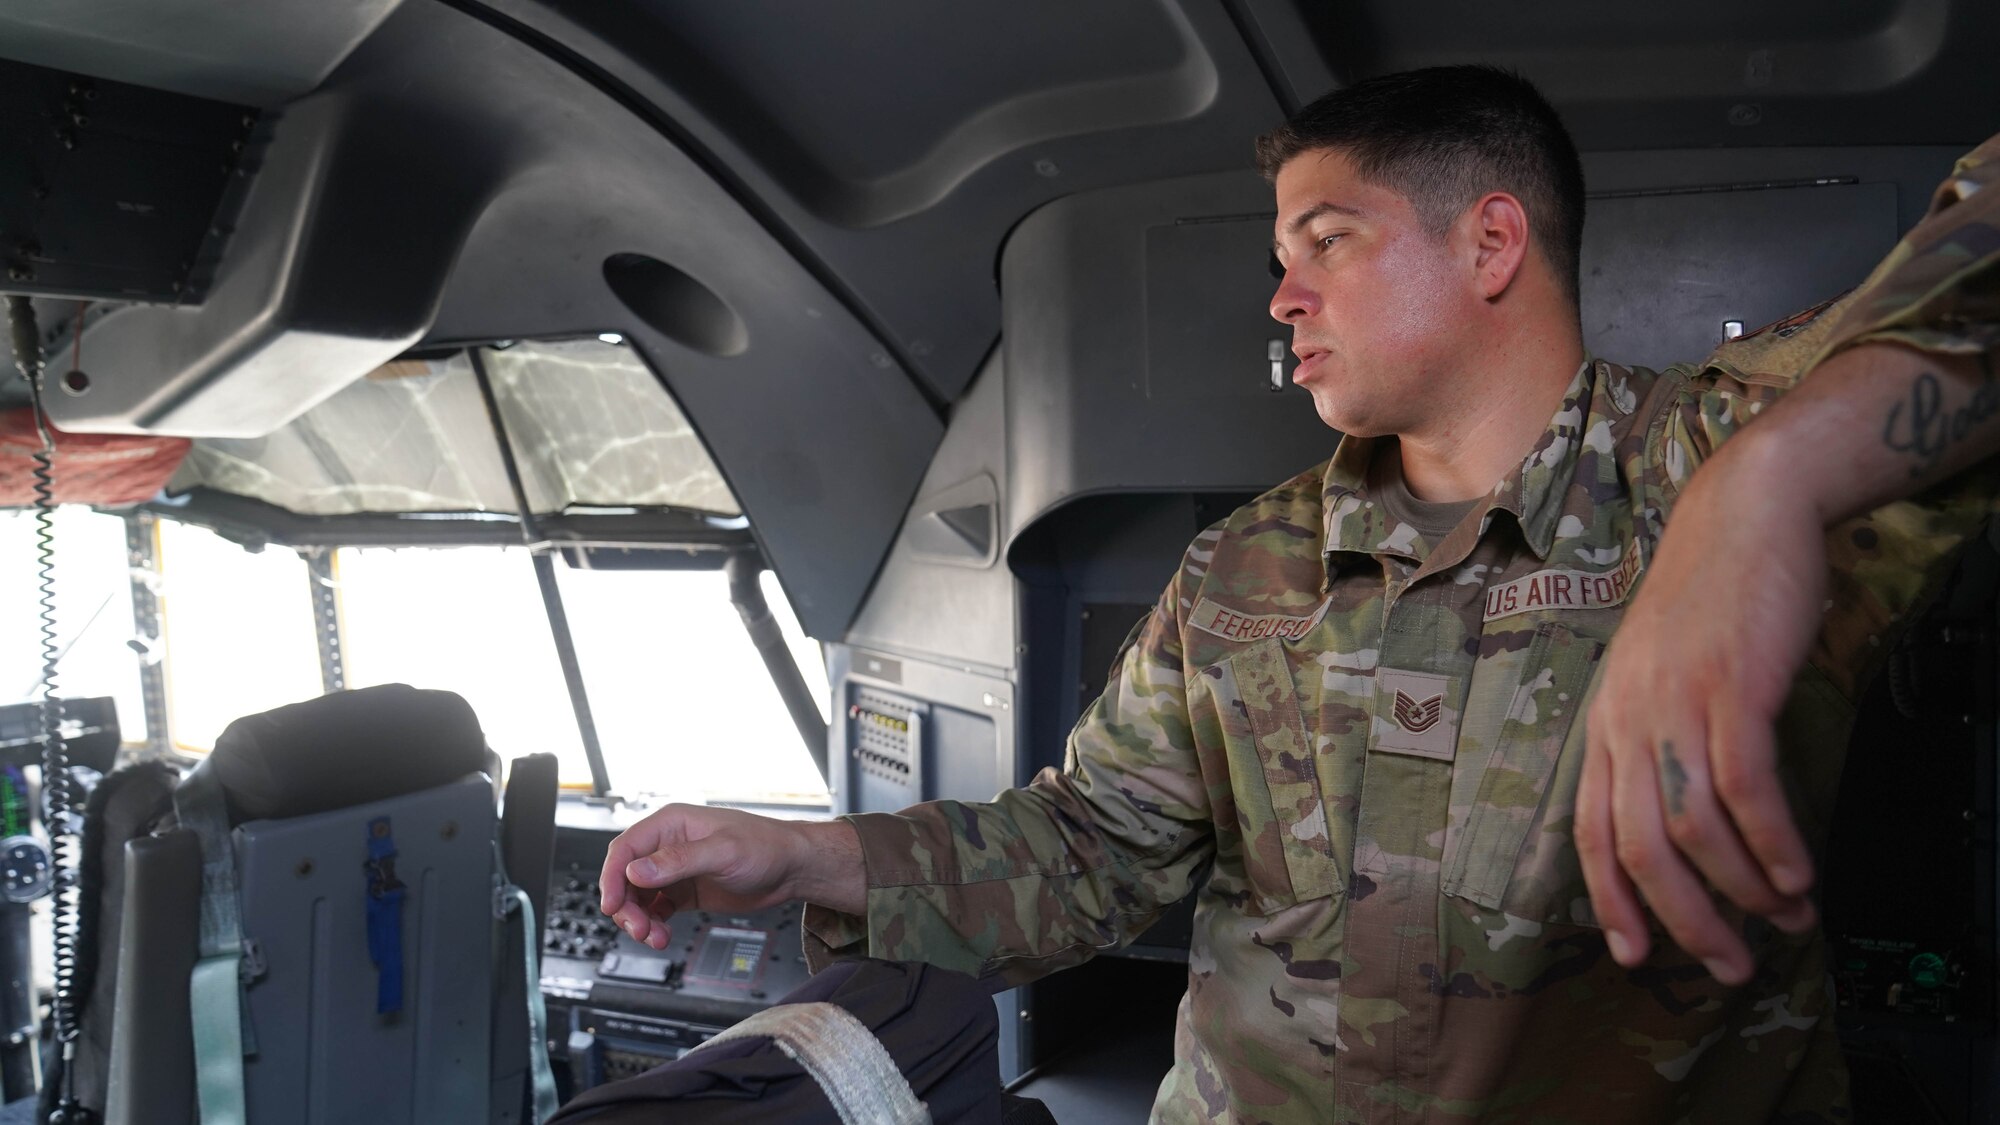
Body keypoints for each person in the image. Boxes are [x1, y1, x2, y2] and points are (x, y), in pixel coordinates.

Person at [599, 66, 2000, 1122]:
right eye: (1282, 256)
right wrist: (806, 857)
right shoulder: (1244, 570)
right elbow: (1086, 848)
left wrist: (1769, 492)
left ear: (1491, 243)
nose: (1281, 296)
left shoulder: (1712, 458)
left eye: (1326, 240)